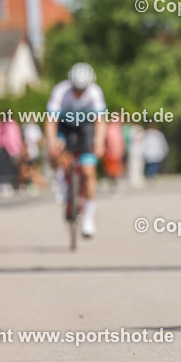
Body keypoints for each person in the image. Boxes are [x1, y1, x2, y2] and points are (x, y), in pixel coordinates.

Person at [45, 63, 107, 238]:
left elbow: (100, 120)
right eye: (76, 89)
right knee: (55, 153)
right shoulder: (60, 91)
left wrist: (99, 142)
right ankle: (62, 184)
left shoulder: (95, 92)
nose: (79, 93)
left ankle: (88, 219)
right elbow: (50, 120)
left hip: (85, 128)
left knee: (88, 172)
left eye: (82, 90)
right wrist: (52, 142)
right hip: (65, 126)